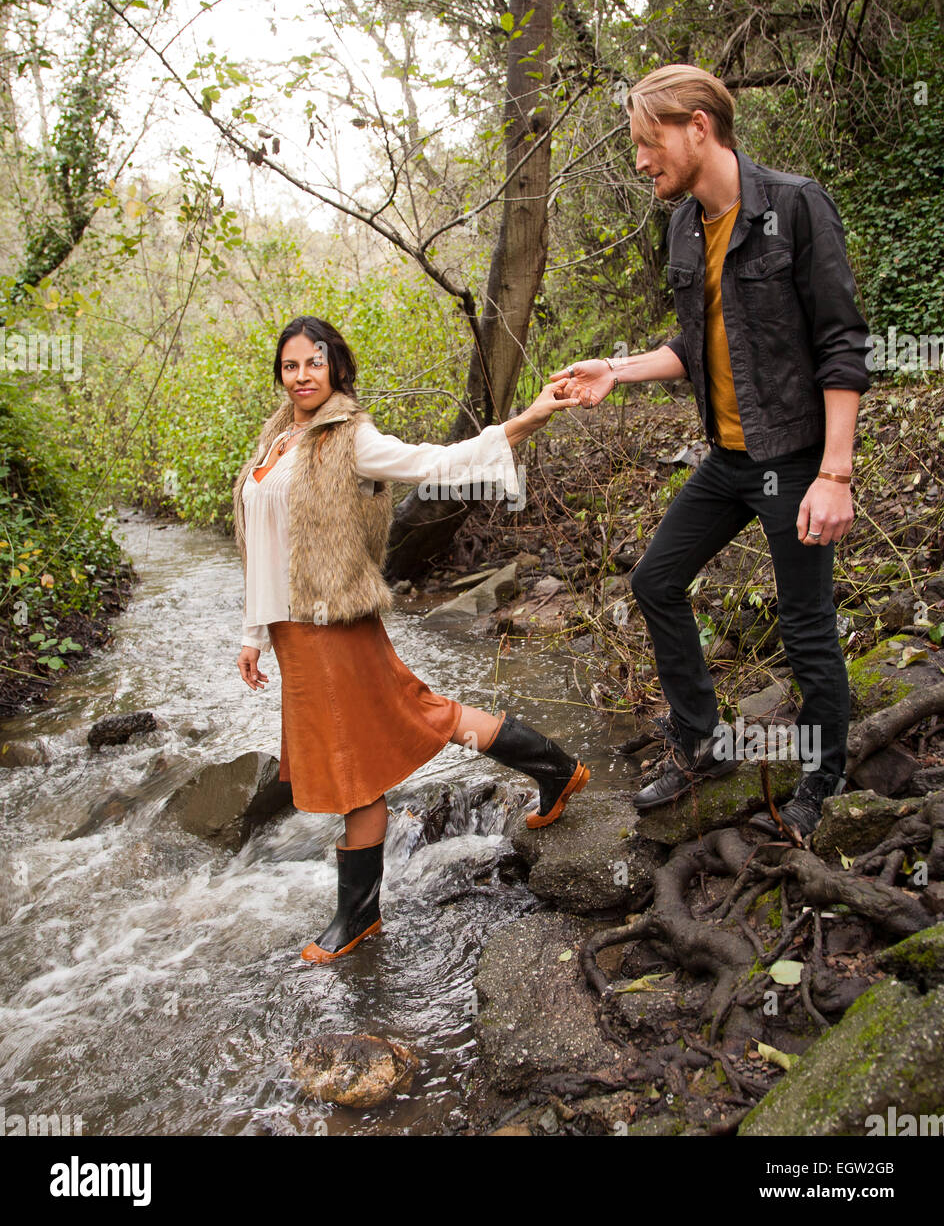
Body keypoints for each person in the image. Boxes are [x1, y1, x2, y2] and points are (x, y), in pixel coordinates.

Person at [552, 64, 871, 839]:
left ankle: (824, 781)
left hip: (797, 459)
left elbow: (842, 347)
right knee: (656, 581)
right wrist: (616, 370)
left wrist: (835, 473)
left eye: (646, 141)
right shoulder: (683, 227)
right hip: (729, 458)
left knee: (804, 624)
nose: (639, 161)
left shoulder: (795, 207)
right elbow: (693, 348)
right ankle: (702, 739)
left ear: (699, 125)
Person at [233, 315, 589, 964]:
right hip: (293, 629)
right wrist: (253, 634)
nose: (301, 375)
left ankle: (358, 917)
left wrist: (531, 418)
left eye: (313, 362)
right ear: (279, 376)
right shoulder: (277, 442)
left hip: (334, 623)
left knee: (362, 756)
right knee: (406, 721)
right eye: (290, 366)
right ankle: (556, 769)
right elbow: (262, 546)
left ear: (336, 368)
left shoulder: (349, 439)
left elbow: (440, 463)